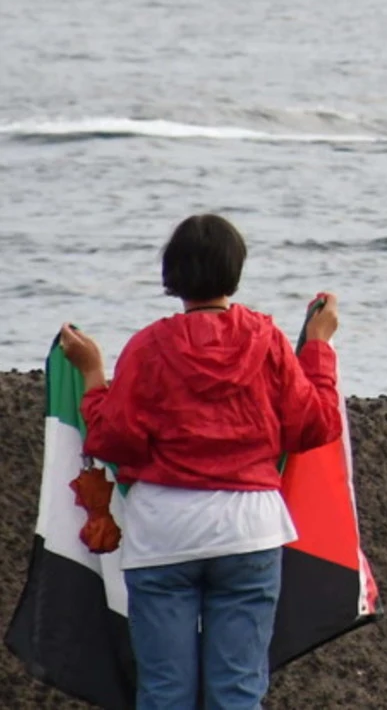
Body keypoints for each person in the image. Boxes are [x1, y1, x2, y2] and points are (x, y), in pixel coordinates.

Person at [55, 214, 345, 710]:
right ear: (236, 271)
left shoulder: (148, 346)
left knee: (166, 692)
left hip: (165, 530)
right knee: (236, 691)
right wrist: (318, 348)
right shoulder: (268, 339)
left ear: (173, 274)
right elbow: (314, 426)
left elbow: (113, 439)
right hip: (248, 529)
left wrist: (93, 375)